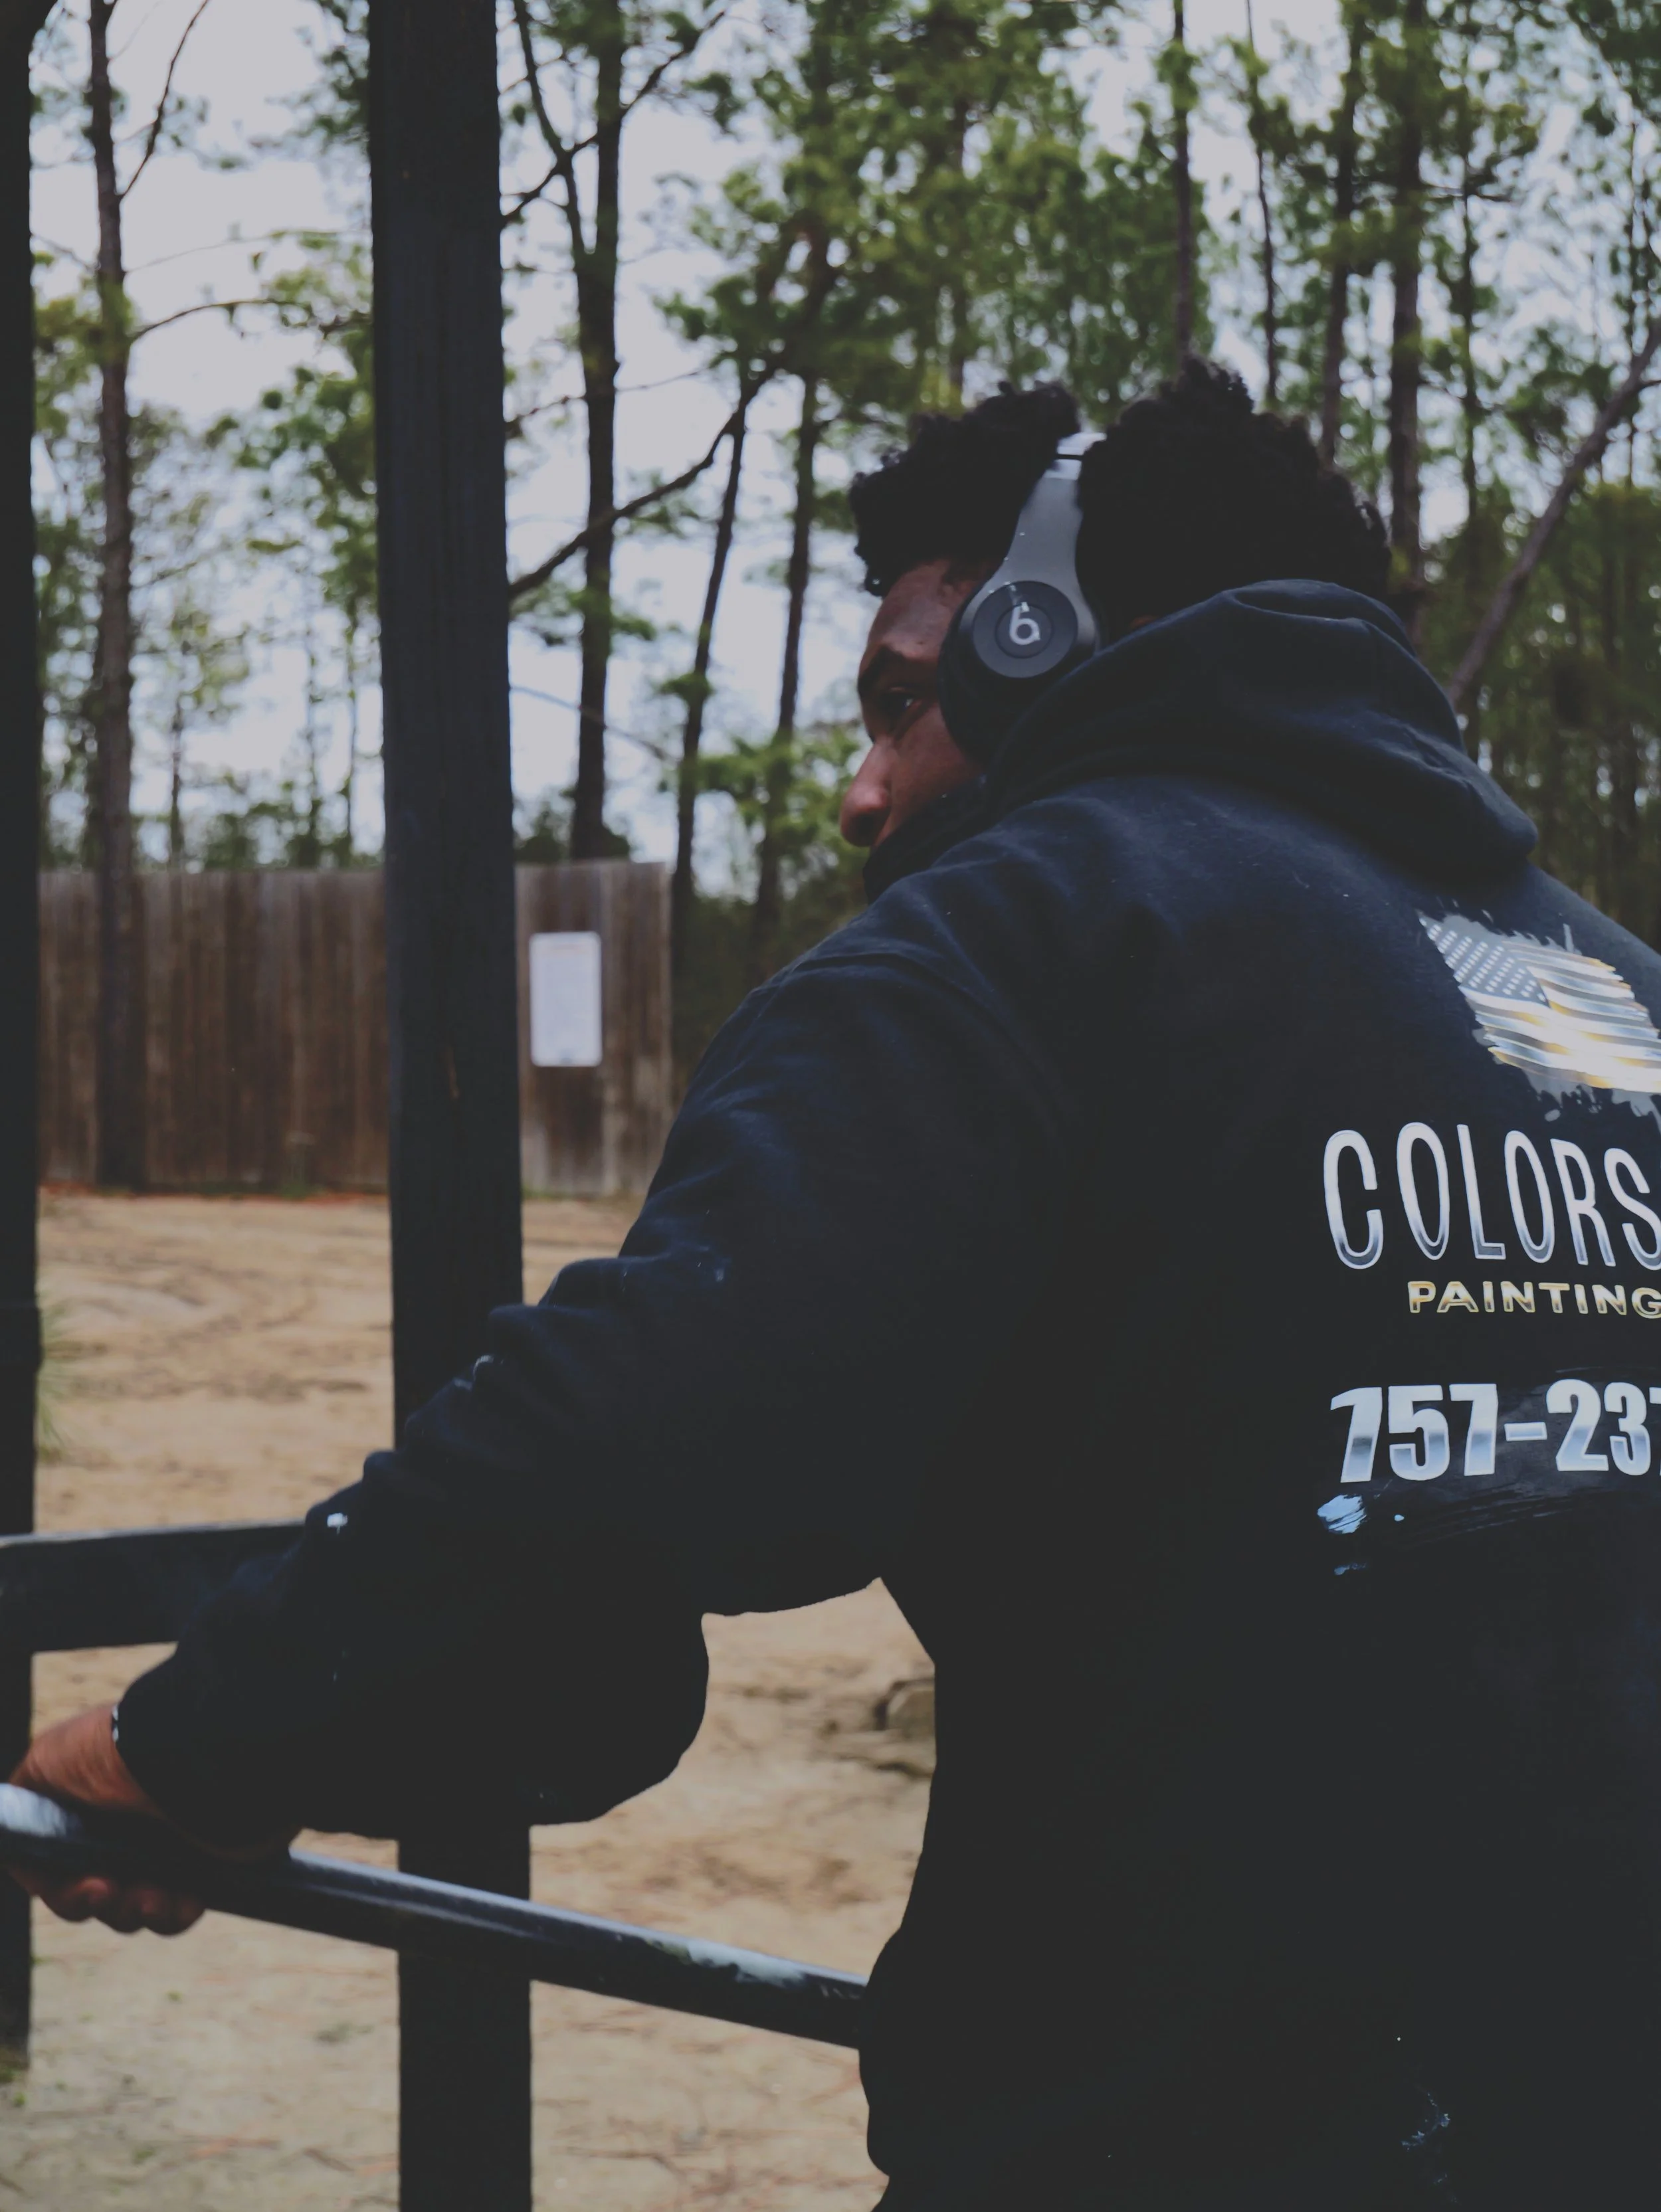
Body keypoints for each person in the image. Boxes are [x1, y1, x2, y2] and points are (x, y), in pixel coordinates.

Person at [15, 357, 1661, 2208]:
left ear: (1040, 647)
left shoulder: (1022, 939)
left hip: (1173, 2141)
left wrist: (190, 1749)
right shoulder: (1616, 1003)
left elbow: (625, 1453)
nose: (866, 793)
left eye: (901, 702)